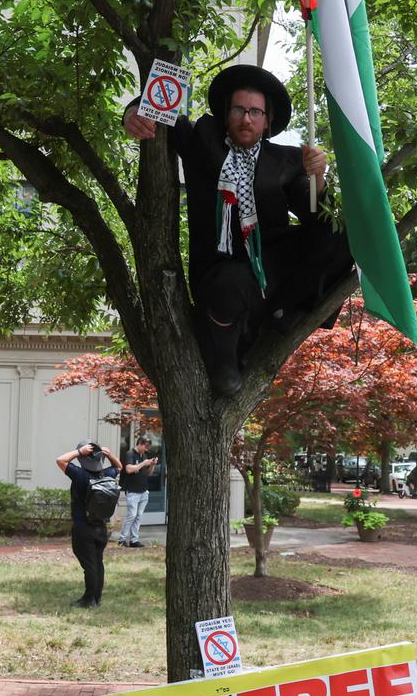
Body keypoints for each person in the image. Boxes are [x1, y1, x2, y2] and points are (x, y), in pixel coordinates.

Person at [123, 64, 353, 396]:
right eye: (239, 109)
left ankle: (284, 312)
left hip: (270, 266)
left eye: (255, 111)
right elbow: (160, 109)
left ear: (267, 119)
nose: (247, 118)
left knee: (342, 235)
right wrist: (133, 112)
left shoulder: (287, 161)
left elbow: (321, 220)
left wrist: (318, 177)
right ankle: (224, 358)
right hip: (219, 268)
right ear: (226, 113)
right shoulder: (203, 137)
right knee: (229, 285)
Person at [56, 440, 121, 607]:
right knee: (97, 562)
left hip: (83, 528)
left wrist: (78, 452)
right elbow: (119, 466)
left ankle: (89, 599)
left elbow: (60, 460)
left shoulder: (80, 475)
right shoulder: (107, 474)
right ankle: (97, 598)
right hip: (101, 527)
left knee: (90, 565)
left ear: (84, 459)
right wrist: (109, 454)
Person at [118, 436, 158, 548]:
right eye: (145, 446)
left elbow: (148, 474)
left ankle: (134, 540)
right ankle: (122, 539)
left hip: (143, 491)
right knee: (132, 515)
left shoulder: (143, 455)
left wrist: (152, 465)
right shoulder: (130, 454)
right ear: (140, 443)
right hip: (133, 491)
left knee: (138, 516)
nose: (146, 449)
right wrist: (143, 463)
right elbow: (129, 469)